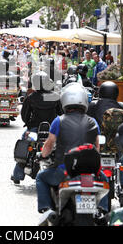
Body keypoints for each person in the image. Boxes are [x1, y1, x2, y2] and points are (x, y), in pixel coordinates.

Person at [35, 83, 101, 214]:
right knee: (104, 179)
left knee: (41, 177)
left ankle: (46, 209)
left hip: (64, 172)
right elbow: (97, 148)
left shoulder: (58, 121)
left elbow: (49, 144)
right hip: (89, 173)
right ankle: (103, 209)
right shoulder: (93, 121)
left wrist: (42, 155)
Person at [11, 72, 63, 184]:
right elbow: (61, 113)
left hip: (34, 129)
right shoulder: (55, 96)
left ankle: (17, 175)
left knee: (24, 145)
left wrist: (29, 125)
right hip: (52, 131)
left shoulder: (30, 97)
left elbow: (24, 115)